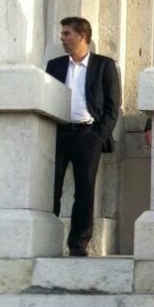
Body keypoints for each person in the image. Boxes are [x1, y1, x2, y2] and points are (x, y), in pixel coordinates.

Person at [46, 16, 122, 257]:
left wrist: (99, 135)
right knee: (51, 189)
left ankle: (78, 244)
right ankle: (47, 240)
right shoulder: (55, 65)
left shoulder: (104, 65)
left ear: (82, 36)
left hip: (89, 135)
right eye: (62, 33)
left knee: (85, 191)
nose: (62, 38)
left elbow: (113, 105)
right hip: (59, 134)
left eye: (66, 33)